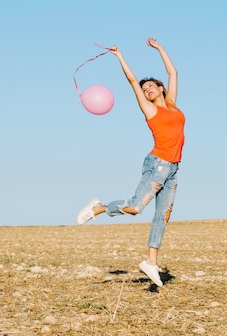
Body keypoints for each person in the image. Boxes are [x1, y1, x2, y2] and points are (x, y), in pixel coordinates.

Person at [76, 37, 186, 288]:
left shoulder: (172, 105)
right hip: (157, 165)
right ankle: (99, 208)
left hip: (174, 169)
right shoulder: (150, 111)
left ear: (161, 89)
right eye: (145, 88)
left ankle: (151, 263)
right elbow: (132, 81)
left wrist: (160, 48)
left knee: (163, 216)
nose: (148, 89)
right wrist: (120, 56)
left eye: (152, 86)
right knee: (136, 208)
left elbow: (173, 72)